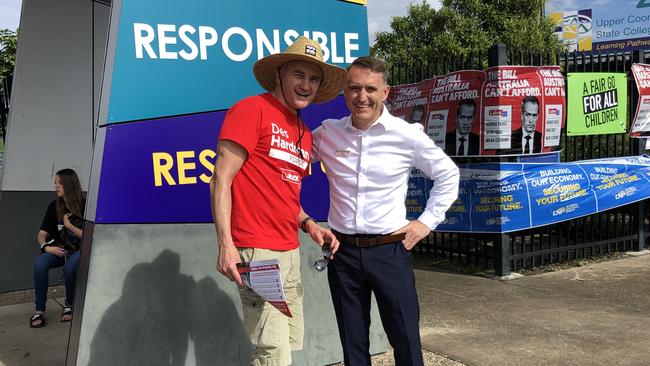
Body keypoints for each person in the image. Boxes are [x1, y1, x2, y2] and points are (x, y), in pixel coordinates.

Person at [312, 56, 460, 366]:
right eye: (354, 88)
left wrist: (425, 223)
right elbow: (288, 161)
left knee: (405, 338)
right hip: (344, 253)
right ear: (345, 91)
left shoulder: (406, 135)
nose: (361, 97)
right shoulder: (328, 134)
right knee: (352, 343)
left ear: (385, 92)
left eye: (370, 88)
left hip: (390, 251)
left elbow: (449, 174)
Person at [210, 36, 344, 366]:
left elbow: (285, 196)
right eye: (299, 74)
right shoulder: (250, 110)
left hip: (290, 251)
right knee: (272, 351)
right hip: (256, 251)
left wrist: (310, 224)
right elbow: (220, 179)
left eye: (314, 79)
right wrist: (226, 244)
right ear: (280, 74)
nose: (306, 85)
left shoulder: (304, 131)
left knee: (287, 342)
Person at [29, 168, 84, 328]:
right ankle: (39, 310)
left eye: (59, 183)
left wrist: (68, 225)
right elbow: (41, 234)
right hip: (58, 249)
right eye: (55, 183)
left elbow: (89, 237)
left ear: (69, 184)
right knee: (40, 264)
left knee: (70, 266)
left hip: (81, 249)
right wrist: (46, 247)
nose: (56, 186)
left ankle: (69, 304)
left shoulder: (85, 204)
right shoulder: (54, 206)